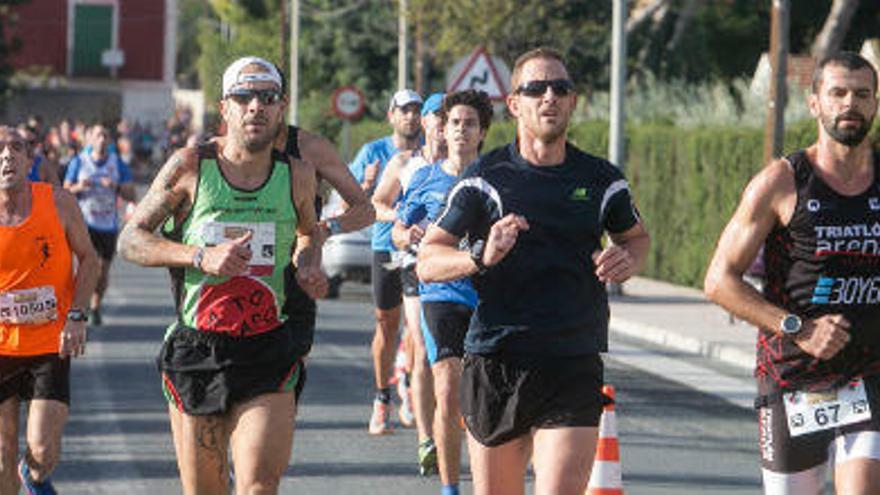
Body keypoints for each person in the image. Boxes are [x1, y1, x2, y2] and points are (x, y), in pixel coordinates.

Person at [417, 47, 650, 495]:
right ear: (514, 104)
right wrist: (481, 256)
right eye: (536, 88)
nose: (549, 97)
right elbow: (429, 259)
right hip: (497, 358)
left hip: (571, 357)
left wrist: (627, 259)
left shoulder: (601, 179)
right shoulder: (486, 178)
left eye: (560, 88)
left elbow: (636, 238)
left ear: (573, 101)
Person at [117, 56, 327, 494]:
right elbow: (131, 240)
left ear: (281, 108)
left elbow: (308, 234)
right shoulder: (190, 166)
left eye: (267, 97)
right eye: (244, 97)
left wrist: (307, 264)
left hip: (268, 346)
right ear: (225, 108)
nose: (256, 106)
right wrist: (199, 256)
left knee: (257, 487)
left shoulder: (299, 177)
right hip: (198, 349)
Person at [704, 52, 880, 494]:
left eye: (862, 94)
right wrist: (799, 329)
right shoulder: (782, 182)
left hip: (871, 373)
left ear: (876, 103)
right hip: (792, 377)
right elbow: (719, 280)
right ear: (815, 102)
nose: (850, 104)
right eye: (837, 93)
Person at [395, 89, 493, 494]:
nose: (461, 130)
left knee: (487, 399)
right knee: (448, 390)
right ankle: (450, 488)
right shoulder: (425, 179)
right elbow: (399, 228)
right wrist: (407, 235)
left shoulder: (496, 178)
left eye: (470, 124)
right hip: (441, 293)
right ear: (443, 128)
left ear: (482, 132)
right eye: (455, 123)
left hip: (489, 296)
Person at [0, 126, 99, 495]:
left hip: (49, 341)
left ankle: (34, 477)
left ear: (30, 159)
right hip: (1, 345)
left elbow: (89, 260)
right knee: (1, 451)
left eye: (16, 148)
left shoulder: (58, 203)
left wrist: (76, 315)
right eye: (0, 149)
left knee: (42, 449)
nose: (7, 156)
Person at [376, 91, 447, 472]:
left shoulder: (470, 168)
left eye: (447, 116)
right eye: (435, 115)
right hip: (414, 263)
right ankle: (426, 438)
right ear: (425, 122)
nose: (441, 122)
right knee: (421, 348)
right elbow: (376, 204)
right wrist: (402, 221)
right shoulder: (405, 163)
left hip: (457, 266)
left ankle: (452, 423)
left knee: (455, 357)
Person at [349, 88, 423, 435]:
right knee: (388, 325)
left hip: (423, 250)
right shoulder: (374, 152)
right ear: (391, 115)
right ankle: (382, 397)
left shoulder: (432, 151)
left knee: (419, 325)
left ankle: (409, 384)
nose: (410, 116)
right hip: (387, 250)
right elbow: (350, 201)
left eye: (416, 110)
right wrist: (365, 184)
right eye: (403, 110)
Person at [63, 124, 136, 327]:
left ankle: (96, 305)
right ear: (90, 140)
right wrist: (79, 186)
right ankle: (81, 306)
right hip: (84, 224)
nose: (102, 139)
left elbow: (131, 195)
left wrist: (115, 186)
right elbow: (64, 192)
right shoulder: (79, 161)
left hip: (108, 224)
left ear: (110, 140)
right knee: (86, 266)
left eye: (105, 135)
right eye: (98, 135)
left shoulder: (117, 163)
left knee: (102, 271)